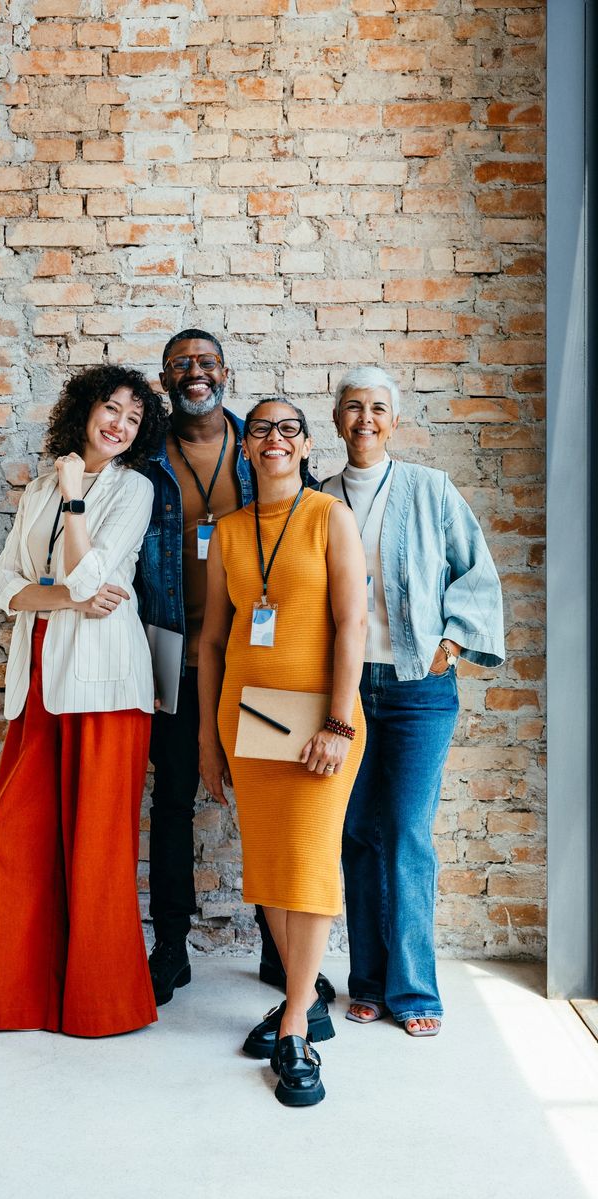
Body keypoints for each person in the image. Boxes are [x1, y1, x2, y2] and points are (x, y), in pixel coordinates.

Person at [0, 364, 168, 1038]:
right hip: (39, 676)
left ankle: (101, 1007)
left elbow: (91, 574)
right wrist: (66, 598)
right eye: (111, 408)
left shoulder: (133, 489)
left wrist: (75, 501)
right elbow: (5, 587)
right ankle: (17, 1000)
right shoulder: (39, 487)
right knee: (16, 837)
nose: (120, 424)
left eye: (133, 417)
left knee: (96, 849)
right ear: (85, 409)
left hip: (105, 682)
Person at [135, 330, 334, 1007]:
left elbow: (306, 539)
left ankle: (282, 955)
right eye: (181, 364)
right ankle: (170, 948)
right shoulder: (146, 456)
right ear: (165, 379)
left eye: (207, 362)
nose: (195, 372)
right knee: (173, 802)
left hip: (258, 664)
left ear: (226, 372)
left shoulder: (261, 444)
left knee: (267, 804)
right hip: (171, 652)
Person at [321, 366, 505, 1037]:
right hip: (345, 687)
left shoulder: (431, 488)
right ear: (336, 419)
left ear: (394, 421)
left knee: (405, 831)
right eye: (352, 407)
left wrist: (449, 644)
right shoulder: (320, 497)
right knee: (355, 833)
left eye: (377, 408)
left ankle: (415, 989)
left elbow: (476, 571)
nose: (364, 419)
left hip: (417, 691)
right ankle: (367, 982)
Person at [198, 398, 368, 1107]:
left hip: (322, 720)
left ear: (304, 443)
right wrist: (208, 738)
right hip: (251, 720)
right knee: (269, 868)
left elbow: (352, 622)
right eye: (261, 429)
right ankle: (306, 1001)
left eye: (288, 428)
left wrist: (339, 723)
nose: (274, 438)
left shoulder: (330, 517)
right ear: (246, 446)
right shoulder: (229, 531)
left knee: (310, 865)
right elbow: (213, 639)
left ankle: (295, 1024)